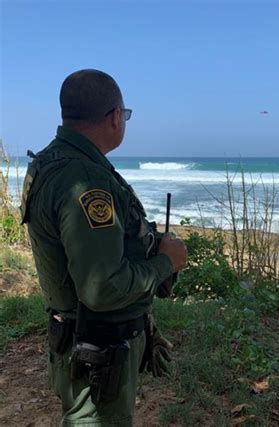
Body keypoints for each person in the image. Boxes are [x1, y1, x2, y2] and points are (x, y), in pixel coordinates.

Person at [20, 69, 187, 425]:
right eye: (124, 115)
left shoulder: (49, 162)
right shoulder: (86, 180)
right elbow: (101, 288)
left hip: (78, 338)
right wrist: (165, 264)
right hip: (99, 345)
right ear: (114, 116)